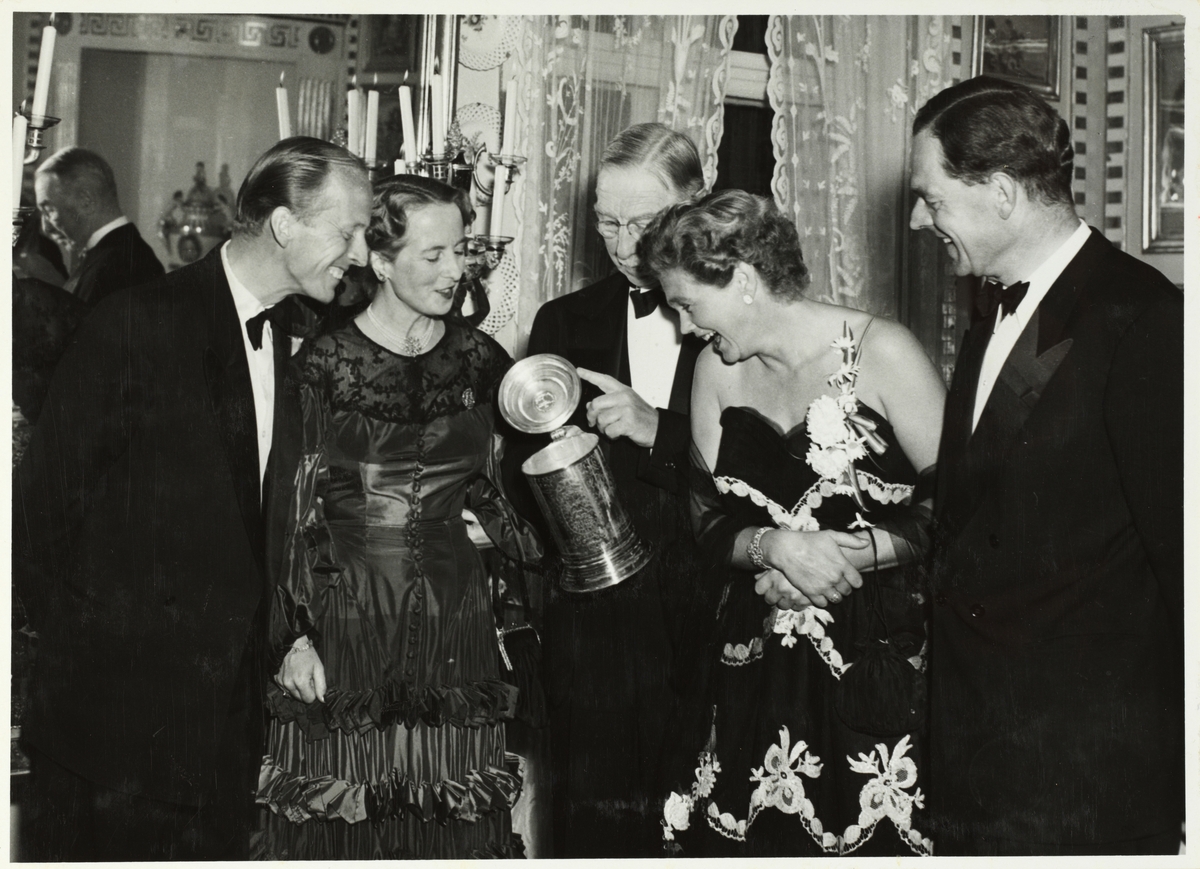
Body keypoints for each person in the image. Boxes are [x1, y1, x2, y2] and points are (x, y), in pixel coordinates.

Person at [13, 136, 373, 861]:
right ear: (283, 226)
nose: (361, 253)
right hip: (112, 730)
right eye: (348, 231)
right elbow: (40, 516)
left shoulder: (293, 334)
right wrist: (101, 659)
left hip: (218, 731)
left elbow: (258, 522)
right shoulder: (136, 323)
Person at [909, 77, 1183, 856]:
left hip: (1090, 782)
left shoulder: (1145, 319)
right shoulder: (989, 307)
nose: (918, 218)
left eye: (931, 198)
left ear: (998, 193)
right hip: (982, 759)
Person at [641, 189, 946, 856]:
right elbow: (705, 518)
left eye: (688, 304)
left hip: (875, 667)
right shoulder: (714, 371)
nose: (686, 327)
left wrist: (850, 554)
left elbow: (960, 503)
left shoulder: (882, 352)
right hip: (755, 665)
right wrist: (775, 547)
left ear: (744, 280)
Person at [254, 175, 542, 859]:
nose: (455, 271)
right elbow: (291, 507)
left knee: (448, 822)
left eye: (461, 251)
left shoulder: (482, 359)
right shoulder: (324, 364)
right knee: (347, 820)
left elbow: (511, 492)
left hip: (455, 622)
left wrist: (498, 528)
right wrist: (293, 635)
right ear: (381, 262)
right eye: (433, 254)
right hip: (345, 618)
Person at [500, 122, 708, 857]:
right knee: (592, 829)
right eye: (607, 222)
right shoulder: (564, 321)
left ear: (694, 203)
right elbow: (521, 485)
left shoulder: (734, 321)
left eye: (643, 223)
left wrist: (660, 431)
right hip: (593, 626)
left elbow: (773, 475)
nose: (623, 245)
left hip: (706, 613)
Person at [34, 146, 164, 305]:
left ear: (86, 201)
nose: (46, 227)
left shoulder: (116, 269)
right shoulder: (121, 256)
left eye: (49, 210)